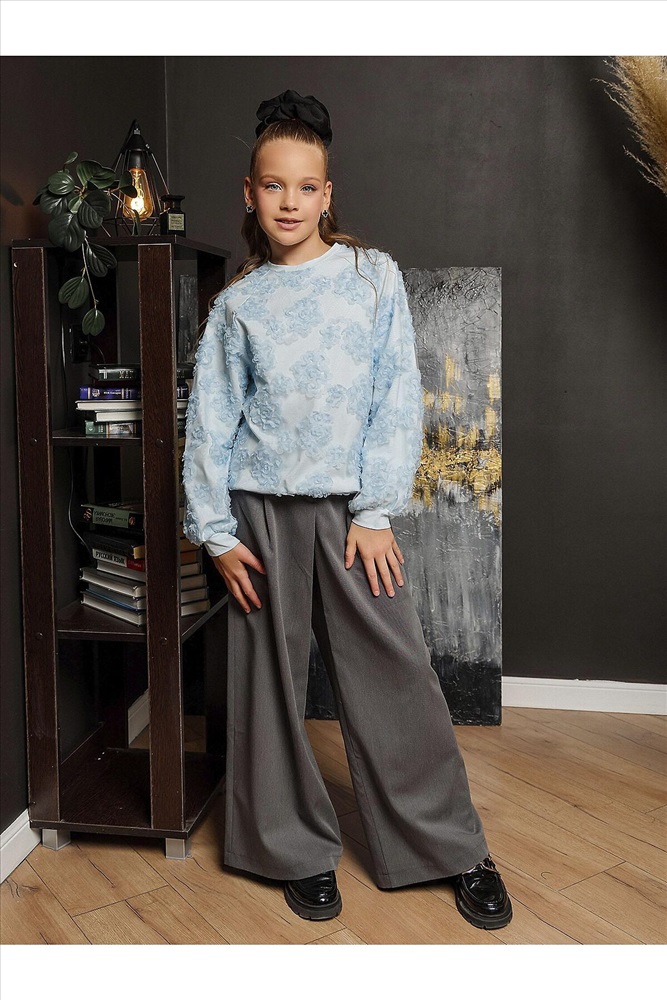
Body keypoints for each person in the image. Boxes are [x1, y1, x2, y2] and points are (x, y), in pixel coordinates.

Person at [182, 89, 513, 931]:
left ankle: (448, 847)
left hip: (351, 515)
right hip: (258, 514)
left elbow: (396, 394)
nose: (289, 202)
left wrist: (374, 512)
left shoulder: (372, 278)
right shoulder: (237, 306)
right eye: (273, 185)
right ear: (248, 193)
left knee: (396, 676)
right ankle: (289, 847)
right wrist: (213, 533)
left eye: (306, 187)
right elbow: (211, 421)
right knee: (266, 685)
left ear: (327, 194)